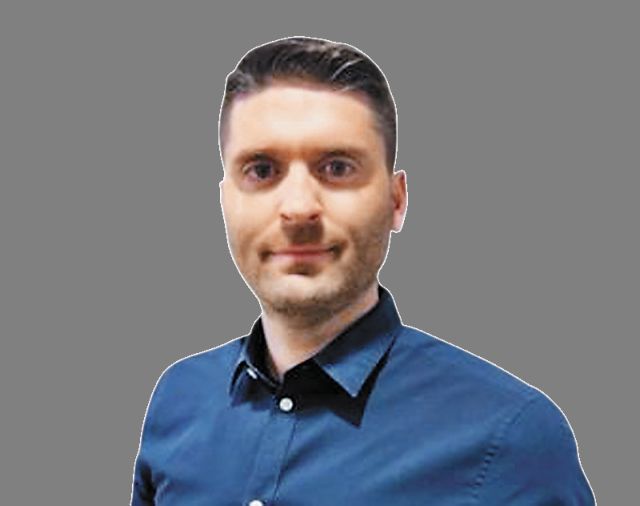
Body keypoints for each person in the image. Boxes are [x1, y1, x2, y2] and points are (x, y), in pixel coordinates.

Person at [131, 37, 595, 505]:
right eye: (262, 170)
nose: (298, 208)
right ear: (224, 200)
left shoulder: (511, 440)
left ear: (396, 200)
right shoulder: (179, 400)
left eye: (336, 167)